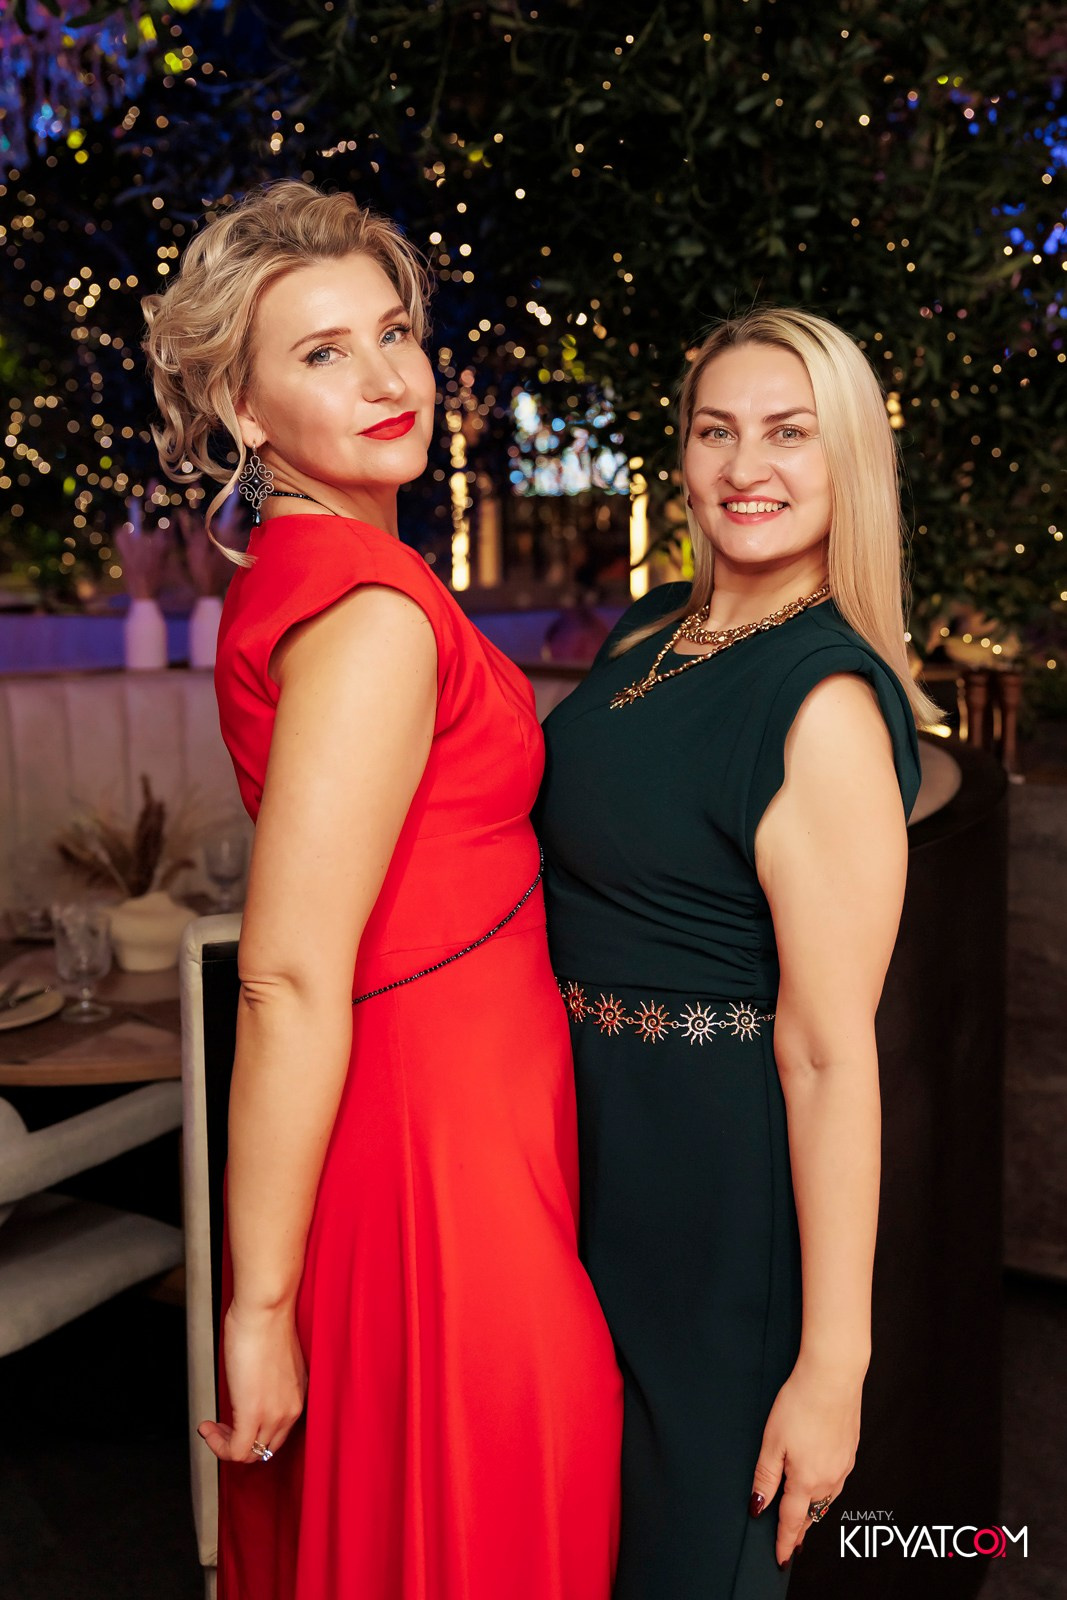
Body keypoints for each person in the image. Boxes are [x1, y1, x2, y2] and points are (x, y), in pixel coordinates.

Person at [141, 179, 621, 1600]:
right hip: (432, 1152)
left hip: (448, 1121)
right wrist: (260, 1306)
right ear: (241, 408)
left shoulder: (323, 568)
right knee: (491, 1519)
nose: (385, 376)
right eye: (323, 352)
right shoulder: (367, 614)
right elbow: (286, 974)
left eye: (393, 333)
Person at [535, 307, 943, 1598]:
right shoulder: (651, 626)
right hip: (589, 1151)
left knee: (688, 1556)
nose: (744, 466)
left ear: (848, 461)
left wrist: (834, 1366)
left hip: (714, 1193)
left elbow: (829, 1055)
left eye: (787, 433)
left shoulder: (823, 699)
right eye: (716, 431)